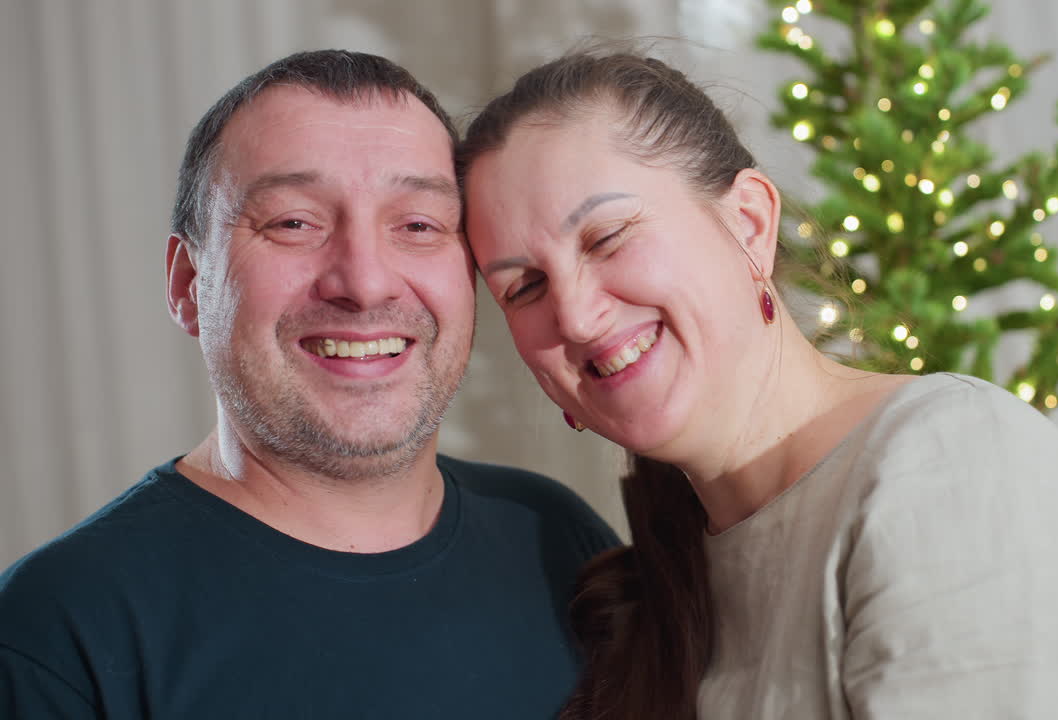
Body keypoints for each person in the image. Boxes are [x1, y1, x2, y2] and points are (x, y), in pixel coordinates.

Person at [458, 51, 1058, 719]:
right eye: (523, 287)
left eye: (608, 237)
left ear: (749, 223)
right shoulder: (659, 574)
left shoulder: (954, 464)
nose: (578, 316)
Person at [0, 50, 618, 718]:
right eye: (294, 223)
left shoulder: (555, 538)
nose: (364, 281)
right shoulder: (54, 634)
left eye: (417, 225)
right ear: (188, 285)